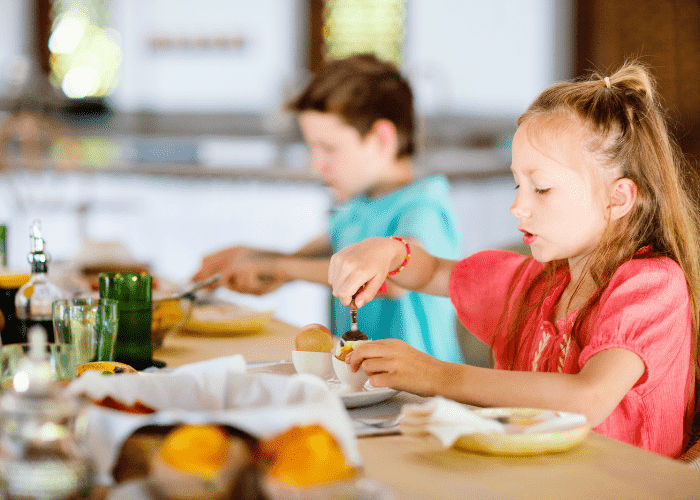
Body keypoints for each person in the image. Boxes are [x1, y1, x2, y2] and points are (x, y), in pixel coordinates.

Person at [328, 61, 700, 458]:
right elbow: (434, 270)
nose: (518, 206)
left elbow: (587, 399)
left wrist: (436, 375)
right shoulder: (536, 281)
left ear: (619, 198)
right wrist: (388, 250)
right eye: (517, 184)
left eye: (541, 188)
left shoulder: (652, 285)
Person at [193, 53, 463, 363]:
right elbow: (312, 258)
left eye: (328, 148)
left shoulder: (423, 205)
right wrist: (252, 256)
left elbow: (391, 279)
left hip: (426, 399)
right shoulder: (357, 206)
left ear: (381, 139)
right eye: (312, 148)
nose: (315, 165)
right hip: (367, 382)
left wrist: (282, 269)